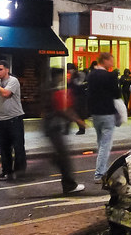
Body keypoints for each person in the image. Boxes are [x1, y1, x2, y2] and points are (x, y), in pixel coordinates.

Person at [42, 68, 84, 194]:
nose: (62, 79)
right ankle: (69, 185)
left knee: (61, 155)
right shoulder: (53, 90)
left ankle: (56, 161)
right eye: (61, 76)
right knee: (64, 157)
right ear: (56, 76)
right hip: (53, 127)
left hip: (50, 126)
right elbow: (61, 109)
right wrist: (77, 120)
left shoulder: (48, 88)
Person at [88, 51, 120, 183]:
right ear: (105, 60)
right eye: (111, 60)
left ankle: (103, 169)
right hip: (107, 113)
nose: (112, 63)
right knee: (105, 145)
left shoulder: (91, 75)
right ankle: (100, 173)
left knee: (101, 142)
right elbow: (116, 94)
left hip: (95, 113)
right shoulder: (109, 76)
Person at [0, 60, 26, 181]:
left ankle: (20, 172)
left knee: (18, 147)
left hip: (14, 119)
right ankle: (6, 171)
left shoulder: (13, 81)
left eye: (0, 69)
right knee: (4, 148)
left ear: (7, 70)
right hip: (1, 120)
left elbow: (6, 93)